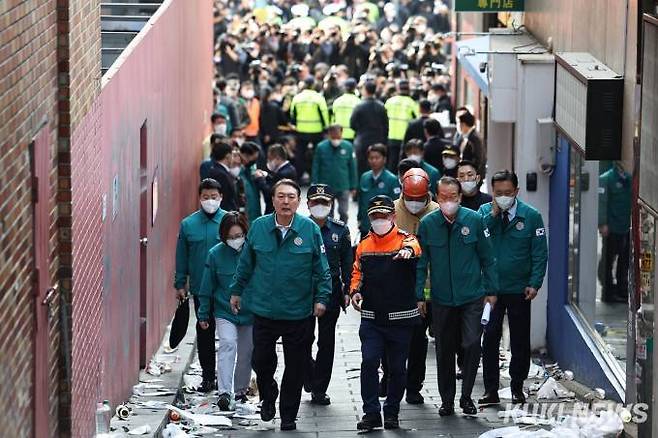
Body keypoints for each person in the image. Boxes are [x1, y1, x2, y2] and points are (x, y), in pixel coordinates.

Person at [229, 179, 332, 431]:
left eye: (291, 197)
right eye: (281, 196)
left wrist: (322, 298)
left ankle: (288, 415)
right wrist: (236, 291)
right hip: (264, 309)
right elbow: (245, 264)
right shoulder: (259, 228)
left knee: (296, 366)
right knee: (261, 361)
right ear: (273, 200)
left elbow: (322, 269)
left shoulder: (309, 230)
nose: (286, 201)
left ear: (298, 201)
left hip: (298, 312)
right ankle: (268, 392)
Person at [415, 176, 499, 416]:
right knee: (444, 350)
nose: (448, 202)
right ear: (436, 198)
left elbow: (488, 258)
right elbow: (422, 263)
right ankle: (447, 400)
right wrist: (419, 294)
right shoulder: (428, 223)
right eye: (444, 198)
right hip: (442, 300)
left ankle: (466, 396)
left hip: (472, 296)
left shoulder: (474, 220)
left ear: (460, 198)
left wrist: (491, 291)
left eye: (453, 197)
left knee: (472, 344)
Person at [350, 195, 423, 431]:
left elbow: (415, 247)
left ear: (393, 216)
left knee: (397, 368)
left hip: (401, 319)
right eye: (375, 216)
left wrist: (407, 252)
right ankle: (371, 413)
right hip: (372, 319)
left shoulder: (405, 239)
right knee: (369, 362)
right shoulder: (364, 245)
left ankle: (391, 412)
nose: (379, 220)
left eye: (383, 215)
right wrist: (354, 293)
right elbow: (357, 274)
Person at [478, 170, 548, 405]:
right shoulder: (484, 213)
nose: (503, 197)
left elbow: (539, 253)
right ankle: (490, 389)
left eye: (507, 193)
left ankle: (517, 386)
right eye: (498, 193)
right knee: (489, 339)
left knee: (519, 339)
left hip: (519, 288)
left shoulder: (531, 216)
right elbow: (478, 241)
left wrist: (535, 282)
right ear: (492, 192)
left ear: (516, 191)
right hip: (491, 290)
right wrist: (493, 215)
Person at [174, 178, 226, 392]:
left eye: (214, 197)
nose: (210, 201)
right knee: (204, 331)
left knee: (228, 335)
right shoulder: (188, 225)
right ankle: (207, 376)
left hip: (226, 288)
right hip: (200, 289)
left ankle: (227, 378)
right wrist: (180, 283)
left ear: (221, 197)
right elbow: (182, 256)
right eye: (206, 197)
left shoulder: (230, 223)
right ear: (199, 198)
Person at [198, 212, 254, 410]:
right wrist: (203, 313)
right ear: (223, 236)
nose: (235, 240)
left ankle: (240, 391)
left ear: (245, 234)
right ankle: (224, 392)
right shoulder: (215, 254)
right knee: (228, 344)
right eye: (230, 237)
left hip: (250, 312)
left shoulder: (253, 252)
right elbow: (206, 286)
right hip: (224, 310)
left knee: (247, 352)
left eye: (239, 236)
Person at [304, 184, 353, 405]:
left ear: (331, 204)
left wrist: (348, 289)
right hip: (302, 291)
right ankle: (308, 373)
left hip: (331, 290)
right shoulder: (300, 228)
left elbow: (347, 263)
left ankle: (319, 388)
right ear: (308, 205)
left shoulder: (340, 230)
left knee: (327, 342)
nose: (320, 206)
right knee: (302, 339)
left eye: (324, 202)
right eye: (316, 202)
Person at [393, 168, 439, 404]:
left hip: (428, 291)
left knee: (418, 342)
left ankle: (414, 386)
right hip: (396, 289)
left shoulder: (437, 213)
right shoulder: (391, 212)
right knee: (394, 340)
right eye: (409, 199)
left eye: (418, 199)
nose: (413, 204)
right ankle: (392, 378)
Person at [598, 162, 632, 303]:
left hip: (625, 226)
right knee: (608, 261)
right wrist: (602, 223)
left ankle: (621, 290)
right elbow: (602, 202)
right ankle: (608, 291)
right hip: (612, 228)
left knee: (624, 262)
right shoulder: (606, 178)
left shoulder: (629, 178)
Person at [311, 125, 358, 222]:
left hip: (343, 186)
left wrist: (354, 186)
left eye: (338, 136)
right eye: (333, 137)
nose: (336, 139)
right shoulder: (321, 147)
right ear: (329, 134)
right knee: (328, 213)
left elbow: (353, 167)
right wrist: (314, 183)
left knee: (343, 212)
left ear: (341, 134)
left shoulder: (348, 147)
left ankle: (343, 231)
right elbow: (316, 166)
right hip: (326, 187)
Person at [357, 144, 401, 238]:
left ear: (384, 159)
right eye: (371, 158)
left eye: (377, 158)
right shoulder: (364, 177)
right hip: (366, 226)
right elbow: (361, 200)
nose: (374, 161)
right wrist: (359, 219)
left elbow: (396, 205)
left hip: (384, 227)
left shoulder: (392, 179)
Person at [290, 77, 329, 180]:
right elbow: (324, 114)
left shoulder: (297, 98)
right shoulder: (319, 98)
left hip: (301, 130)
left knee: (300, 154)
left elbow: (292, 114)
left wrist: (295, 124)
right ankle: (316, 177)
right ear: (313, 85)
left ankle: (298, 176)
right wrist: (326, 127)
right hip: (316, 131)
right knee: (317, 154)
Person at [350, 81, 389, 176]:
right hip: (378, 140)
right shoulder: (381, 106)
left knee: (361, 167)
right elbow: (386, 125)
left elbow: (352, 124)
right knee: (377, 167)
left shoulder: (359, 106)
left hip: (362, 141)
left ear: (365, 90)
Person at [384, 80, 419, 172]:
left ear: (398, 89)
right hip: (405, 138)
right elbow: (418, 119)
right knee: (404, 164)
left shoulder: (389, 101)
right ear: (408, 89)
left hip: (391, 136)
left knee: (391, 162)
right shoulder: (412, 103)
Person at [255, 144, 297, 214]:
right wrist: (266, 175)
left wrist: (260, 179)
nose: (268, 162)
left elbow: (270, 193)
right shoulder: (289, 168)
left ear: (277, 158)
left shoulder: (283, 173)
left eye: (270, 159)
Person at [207, 140, 240, 212]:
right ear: (228, 156)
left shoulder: (219, 171)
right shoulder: (221, 174)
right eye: (232, 155)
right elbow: (224, 200)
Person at [238, 142, 262, 223]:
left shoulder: (250, 170)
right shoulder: (237, 173)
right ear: (245, 156)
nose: (254, 162)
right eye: (253, 158)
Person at [457, 111, 485, 177]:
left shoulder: (474, 138)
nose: (459, 126)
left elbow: (478, 159)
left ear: (463, 124)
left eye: (459, 123)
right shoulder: (466, 136)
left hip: (473, 176)